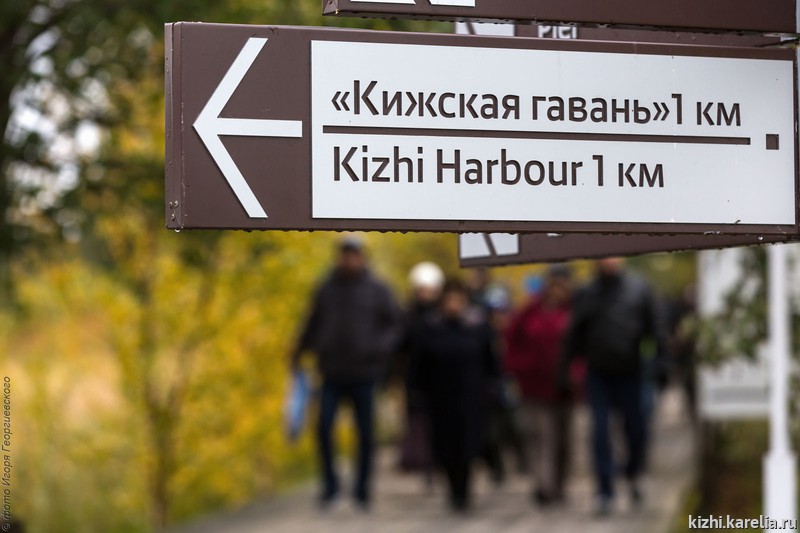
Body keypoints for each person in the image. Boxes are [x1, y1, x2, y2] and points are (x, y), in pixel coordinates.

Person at [291, 236, 402, 511]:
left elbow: (395, 325)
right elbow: (313, 322)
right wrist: (299, 351)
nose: (349, 259)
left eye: (353, 254)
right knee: (323, 427)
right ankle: (330, 486)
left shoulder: (377, 289)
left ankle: (362, 490)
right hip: (331, 372)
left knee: (365, 433)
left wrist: (378, 349)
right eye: (344, 254)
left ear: (362, 257)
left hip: (365, 373)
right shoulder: (326, 288)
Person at [559, 257, 667, 516]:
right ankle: (604, 490)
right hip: (598, 374)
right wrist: (564, 369)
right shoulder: (587, 292)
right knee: (600, 432)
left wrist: (662, 364)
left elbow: (656, 329)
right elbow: (574, 334)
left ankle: (633, 473)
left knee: (636, 429)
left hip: (631, 372)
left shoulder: (639, 289)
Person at [410, 279, 500, 512]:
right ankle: (453, 487)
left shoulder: (476, 326)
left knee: (468, 444)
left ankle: (464, 490)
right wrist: (417, 392)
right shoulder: (430, 327)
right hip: (440, 398)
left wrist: (493, 387)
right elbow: (419, 363)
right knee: (445, 446)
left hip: (471, 397)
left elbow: (490, 361)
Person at [505, 264, 581, 506]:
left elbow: (584, 346)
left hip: (565, 388)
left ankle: (559, 484)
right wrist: (521, 368)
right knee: (541, 436)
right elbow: (511, 342)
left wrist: (577, 373)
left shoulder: (575, 311)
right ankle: (543, 485)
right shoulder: (530, 311)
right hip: (535, 387)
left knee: (563, 440)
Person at [397, 262, 444, 479]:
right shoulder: (408, 315)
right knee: (416, 418)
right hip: (414, 375)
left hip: (439, 376)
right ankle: (419, 458)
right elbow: (400, 345)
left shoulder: (441, 315)